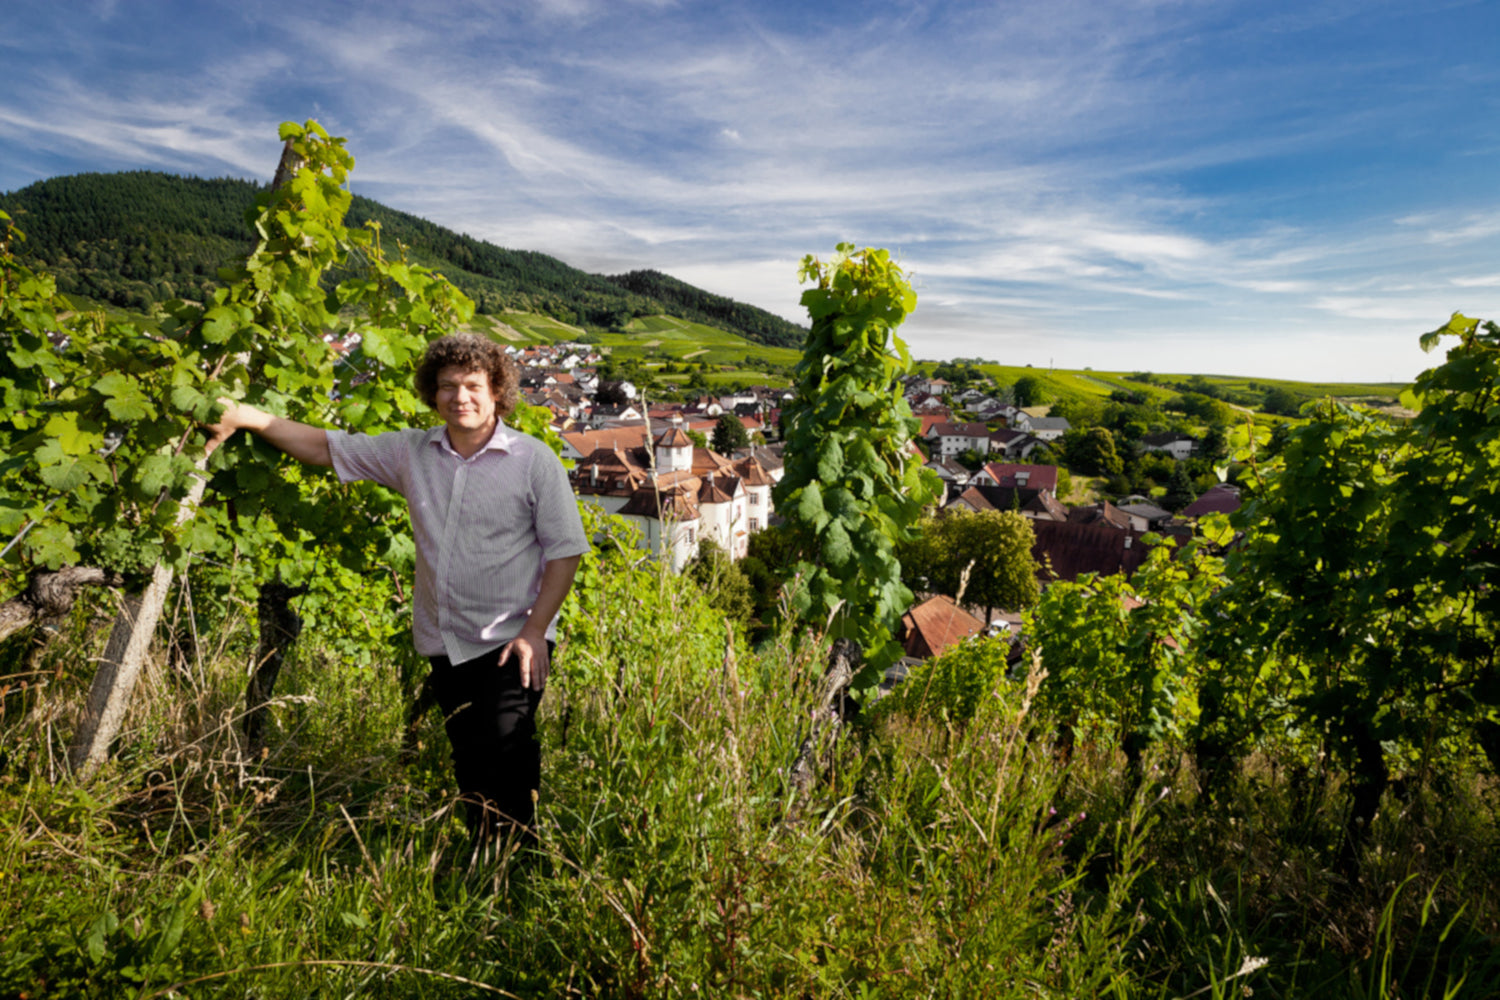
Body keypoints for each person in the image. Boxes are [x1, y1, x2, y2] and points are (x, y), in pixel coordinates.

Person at [208, 334, 589, 847]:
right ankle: (484, 858)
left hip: (511, 640)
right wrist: (247, 417)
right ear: (432, 394)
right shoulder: (412, 452)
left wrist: (536, 630)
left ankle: (520, 864)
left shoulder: (534, 460)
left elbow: (566, 550)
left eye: (473, 385)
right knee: (469, 760)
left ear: (497, 390)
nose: (461, 397)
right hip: (445, 640)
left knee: (508, 752)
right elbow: (325, 447)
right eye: (448, 386)